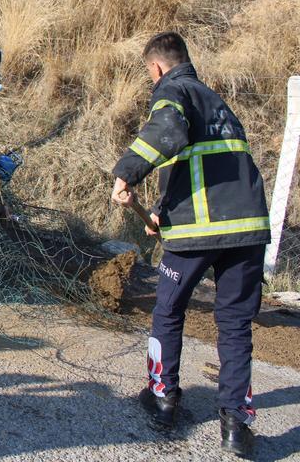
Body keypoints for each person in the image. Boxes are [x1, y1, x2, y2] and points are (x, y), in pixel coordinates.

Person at [110, 31, 270, 457]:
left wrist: (127, 172)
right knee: (235, 325)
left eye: (149, 73)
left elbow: (168, 134)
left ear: (156, 67)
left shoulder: (171, 91)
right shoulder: (217, 103)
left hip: (200, 232)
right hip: (247, 228)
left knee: (168, 310)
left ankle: (163, 398)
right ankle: (236, 425)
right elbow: (199, 163)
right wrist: (163, 209)